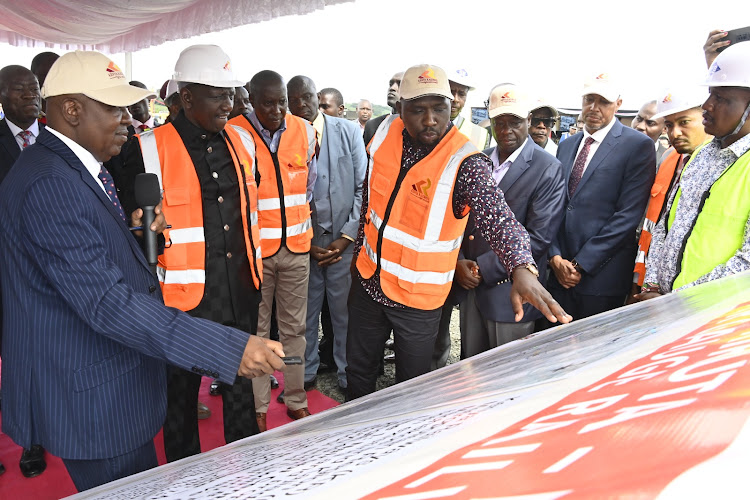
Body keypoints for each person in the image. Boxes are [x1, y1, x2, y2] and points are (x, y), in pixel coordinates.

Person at [0, 49, 285, 492]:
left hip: (112, 387)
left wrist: (132, 236)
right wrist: (228, 350)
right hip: (95, 402)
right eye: (113, 108)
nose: (129, 120)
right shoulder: (49, 183)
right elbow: (107, 303)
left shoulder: (74, 167)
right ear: (72, 109)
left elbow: (83, 258)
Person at [346, 64, 570, 400]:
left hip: (418, 302)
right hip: (367, 283)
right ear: (399, 109)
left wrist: (521, 266)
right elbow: (370, 202)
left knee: (411, 393)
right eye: (418, 110)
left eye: (439, 108)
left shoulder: (465, 161)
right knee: (358, 376)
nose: (431, 119)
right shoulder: (382, 133)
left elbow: (500, 219)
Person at [120, 44, 269, 460]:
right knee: (180, 400)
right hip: (181, 301)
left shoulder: (242, 139)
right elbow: (130, 226)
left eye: (231, 93)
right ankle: (184, 477)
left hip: (240, 287)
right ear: (186, 98)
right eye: (217, 94)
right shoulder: (145, 148)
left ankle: (248, 470)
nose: (230, 103)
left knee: (240, 387)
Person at [228, 70, 317, 428]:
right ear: (251, 99)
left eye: (283, 101)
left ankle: (295, 398)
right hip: (255, 254)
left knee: (295, 331)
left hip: (296, 249)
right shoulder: (234, 133)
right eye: (268, 102)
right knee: (258, 333)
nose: (278, 109)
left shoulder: (305, 131)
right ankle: (259, 408)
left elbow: (309, 187)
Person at [456, 84, 565, 357]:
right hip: (468, 283)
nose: (506, 130)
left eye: (514, 122)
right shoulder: (475, 160)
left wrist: (481, 268)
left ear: (528, 120)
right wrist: (457, 261)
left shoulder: (547, 167)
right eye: (499, 122)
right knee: (469, 368)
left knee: (506, 374)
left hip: (509, 291)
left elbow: (537, 237)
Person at [637, 42, 750, 299]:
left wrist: (677, 302)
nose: (707, 105)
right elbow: (665, 225)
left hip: (712, 318)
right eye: (710, 94)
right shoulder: (701, 155)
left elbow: (747, 265)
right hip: (667, 306)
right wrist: (653, 286)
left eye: (720, 98)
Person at [546, 73, 655, 321]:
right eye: (589, 99)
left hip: (600, 279)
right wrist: (554, 257)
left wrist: (580, 264)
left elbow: (627, 216)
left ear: (618, 103)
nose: (594, 108)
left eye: (603, 101)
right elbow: (552, 205)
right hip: (556, 274)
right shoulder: (566, 145)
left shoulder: (637, 146)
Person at [287, 75, 366, 393]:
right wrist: (303, 240)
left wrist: (346, 236)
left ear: (315, 96)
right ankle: (303, 374)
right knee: (301, 314)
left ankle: (348, 374)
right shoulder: (284, 136)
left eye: (308, 97)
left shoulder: (347, 131)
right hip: (302, 242)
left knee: (344, 313)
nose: (303, 104)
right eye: (295, 99)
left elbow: (365, 187)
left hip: (341, 242)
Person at [0, 64, 47, 479]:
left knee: (37, 355)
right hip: (4, 270)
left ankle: (34, 443)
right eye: (20, 90)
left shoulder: (53, 140)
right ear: (1, 97)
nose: (31, 96)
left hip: (48, 273)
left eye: (34, 89)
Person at [629, 87, 711, 300]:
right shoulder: (668, 158)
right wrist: (648, 283)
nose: (675, 133)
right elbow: (657, 227)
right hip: (651, 281)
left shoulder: (724, 165)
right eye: (669, 125)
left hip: (696, 297)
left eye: (684, 122)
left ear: (707, 117)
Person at [448, 67, 490, 149]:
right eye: (451, 92)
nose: (455, 99)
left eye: (461, 94)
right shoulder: (426, 127)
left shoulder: (481, 135)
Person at [363, 71, 403, 146]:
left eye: (400, 84)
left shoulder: (420, 127)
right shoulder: (372, 126)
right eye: (391, 84)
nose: (392, 88)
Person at [30, 51, 59, 121]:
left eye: (56, 75)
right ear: (33, 76)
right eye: (45, 75)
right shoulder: (25, 112)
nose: (51, 80)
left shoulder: (73, 109)